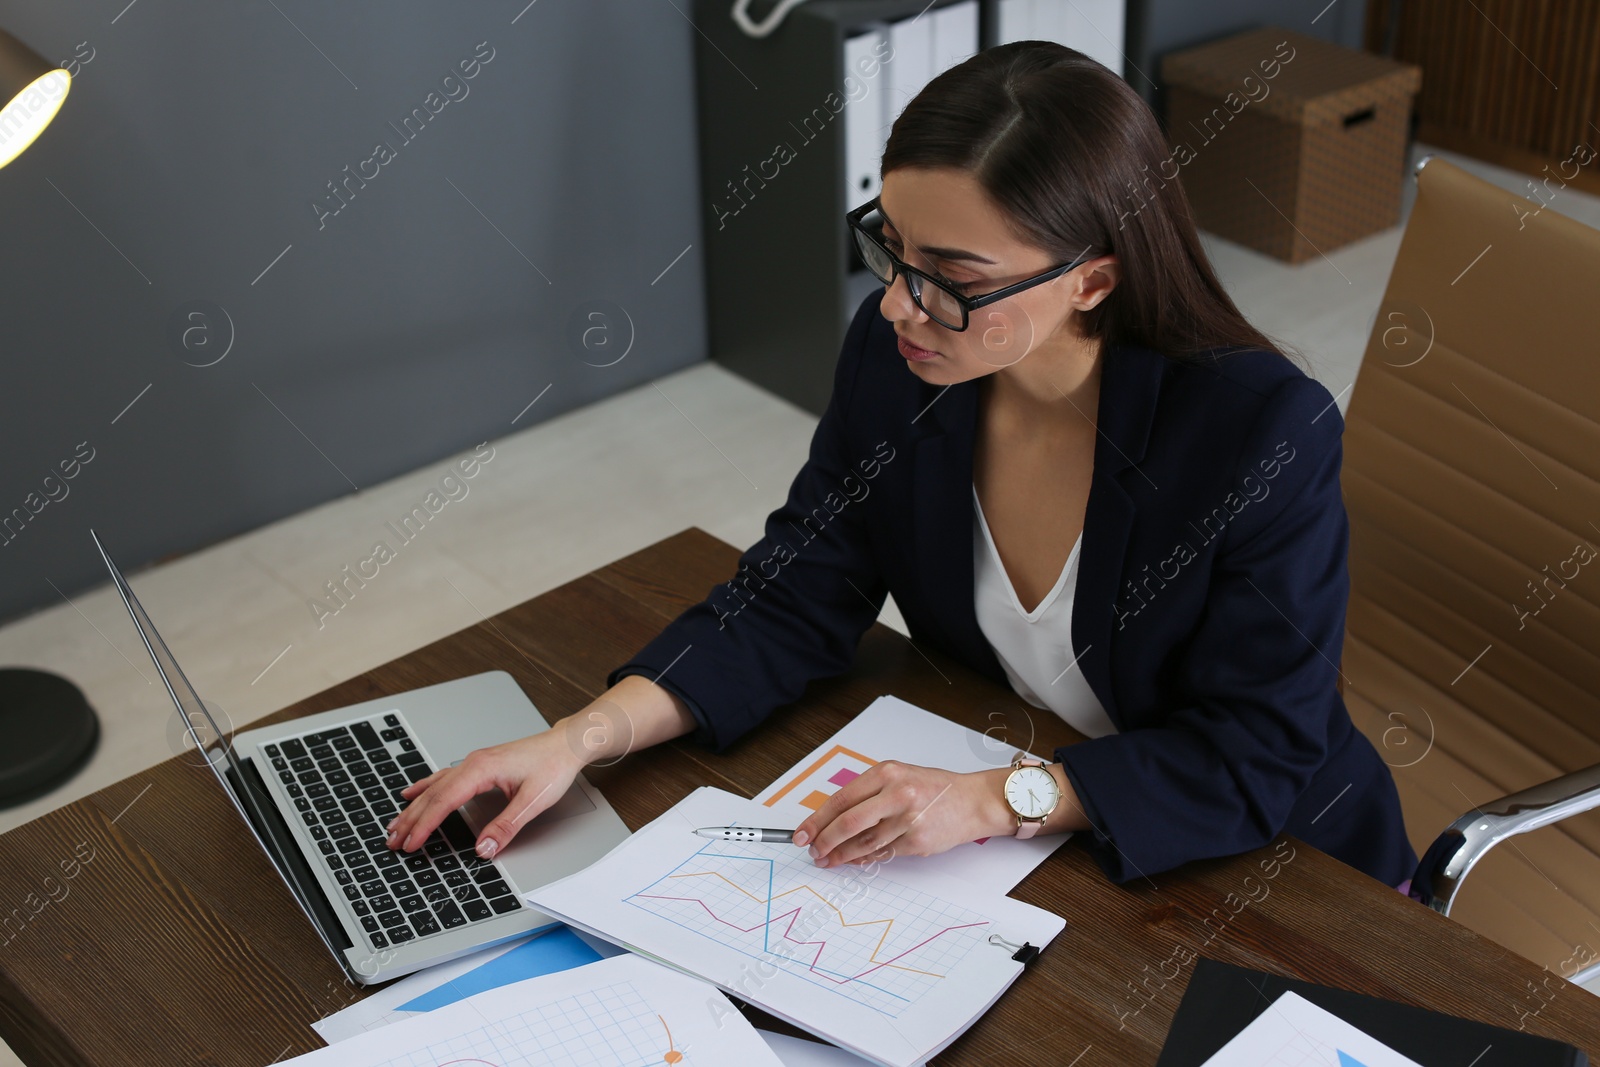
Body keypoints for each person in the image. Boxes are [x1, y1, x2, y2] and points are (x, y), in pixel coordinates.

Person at [384, 41, 1417, 891]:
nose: (894, 307)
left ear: (1092, 279)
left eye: (952, 279)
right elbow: (796, 588)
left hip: (1265, 863)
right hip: (1027, 846)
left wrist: (992, 800)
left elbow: (1254, 751)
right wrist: (584, 736)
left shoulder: (1258, 433)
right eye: (892, 249)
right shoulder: (902, 361)